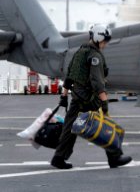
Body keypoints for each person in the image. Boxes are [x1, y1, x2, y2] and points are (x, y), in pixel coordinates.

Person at [51, 25, 132, 169]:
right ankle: (114, 157)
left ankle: (58, 158)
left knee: (69, 129)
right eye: (105, 41)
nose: (105, 44)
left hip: (76, 98)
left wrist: (63, 97)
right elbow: (97, 82)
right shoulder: (95, 56)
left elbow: (69, 76)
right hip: (90, 100)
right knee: (106, 126)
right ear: (98, 38)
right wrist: (104, 102)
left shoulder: (80, 52)